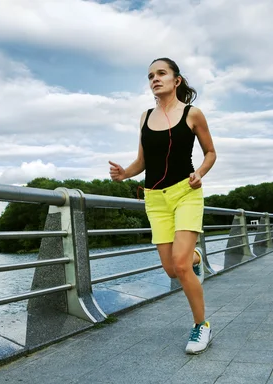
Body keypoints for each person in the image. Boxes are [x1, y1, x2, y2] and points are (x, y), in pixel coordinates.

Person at [108, 58, 217, 354]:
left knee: (180, 266)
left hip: (186, 192)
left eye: (161, 73)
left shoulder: (192, 114)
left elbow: (210, 153)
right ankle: (195, 255)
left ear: (176, 80)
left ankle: (201, 326)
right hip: (154, 198)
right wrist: (124, 174)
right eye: (150, 76)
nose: (155, 79)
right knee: (172, 269)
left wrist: (200, 173)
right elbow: (142, 162)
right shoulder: (144, 117)